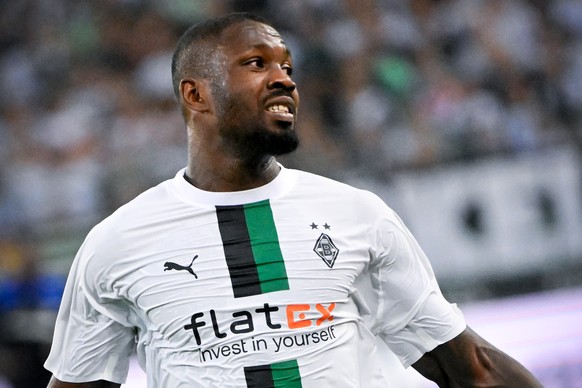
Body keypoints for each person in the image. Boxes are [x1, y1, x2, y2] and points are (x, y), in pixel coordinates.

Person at [45, 12, 542, 388]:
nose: (284, 78)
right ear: (196, 95)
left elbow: (472, 369)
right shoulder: (117, 243)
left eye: (286, 65)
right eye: (256, 64)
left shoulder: (357, 215)